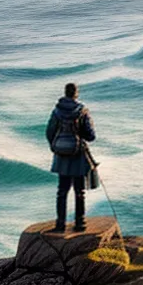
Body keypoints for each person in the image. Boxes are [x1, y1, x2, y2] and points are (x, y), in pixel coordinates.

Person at [46, 82, 97, 232]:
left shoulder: (56, 111)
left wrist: (55, 146)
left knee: (62, 191)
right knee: (79, 191)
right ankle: (80, 223)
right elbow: (91, 136)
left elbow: (49, 131)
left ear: (65, 92)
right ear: (76, 93)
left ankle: (60, 224)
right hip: (78, 156)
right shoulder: (82, 111)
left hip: (62, 156)